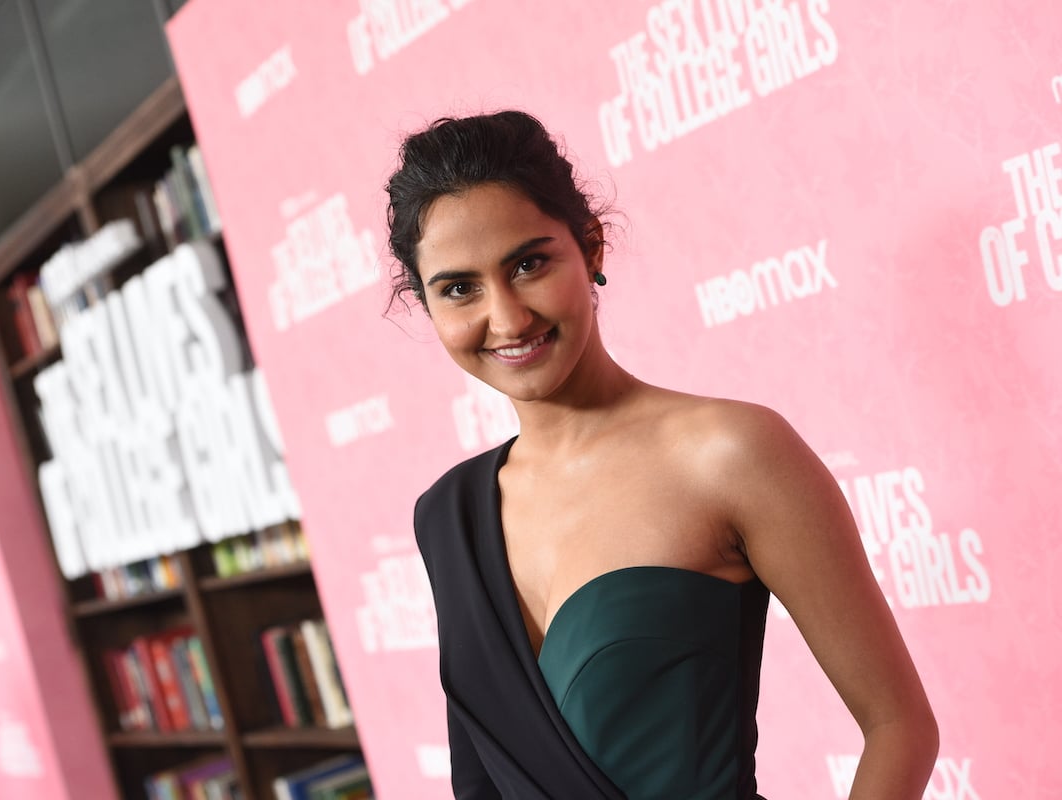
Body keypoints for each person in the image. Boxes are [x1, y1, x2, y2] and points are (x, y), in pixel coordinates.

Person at [385, 110, 938, 799]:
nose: (507, 317)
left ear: (591, 247)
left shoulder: (731, 454)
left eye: (529, 264)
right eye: (459, 287)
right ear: (426, 303)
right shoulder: (447, 516)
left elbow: (899, 725)